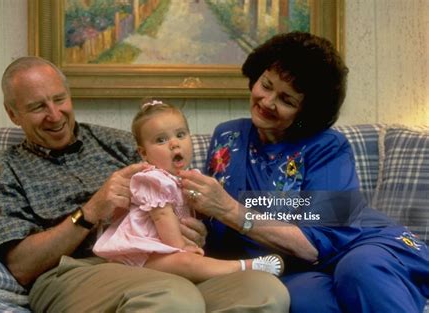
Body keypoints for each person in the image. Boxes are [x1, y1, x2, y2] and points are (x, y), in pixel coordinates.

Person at [0, 56, 290, 312]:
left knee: (264, 291)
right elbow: (21, 266)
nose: (55, 115)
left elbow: (174, 194)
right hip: (73, 271)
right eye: (38, 107)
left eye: (60, 99)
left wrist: (191, 228)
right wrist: (90, 212)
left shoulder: (121, 143)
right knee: (172, 298)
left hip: (156, 261)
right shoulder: (2, 171)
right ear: (13, 114)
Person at [179, 32, 429, 313]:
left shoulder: (327, 145)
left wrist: (230, 211)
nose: (267, 101)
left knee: (359, 270)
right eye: (266, 85)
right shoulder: (228, 136)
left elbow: (316, 243)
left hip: (360, 245)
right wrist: (197, 231)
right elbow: (217, 222)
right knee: (307, 300)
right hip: (290, 265)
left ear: (306, 112)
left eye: (286, 99)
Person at [93, 100, 284, 282]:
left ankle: (239, 269)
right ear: (144, 153)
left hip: (162, 249)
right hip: (140, 255)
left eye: (180, 134)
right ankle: (243, 267)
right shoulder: (152, 180)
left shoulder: (188, 178)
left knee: (191, 262)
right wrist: (181, 247)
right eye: (161, 140)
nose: (174, 143)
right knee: (186, 261)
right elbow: (162, 217)